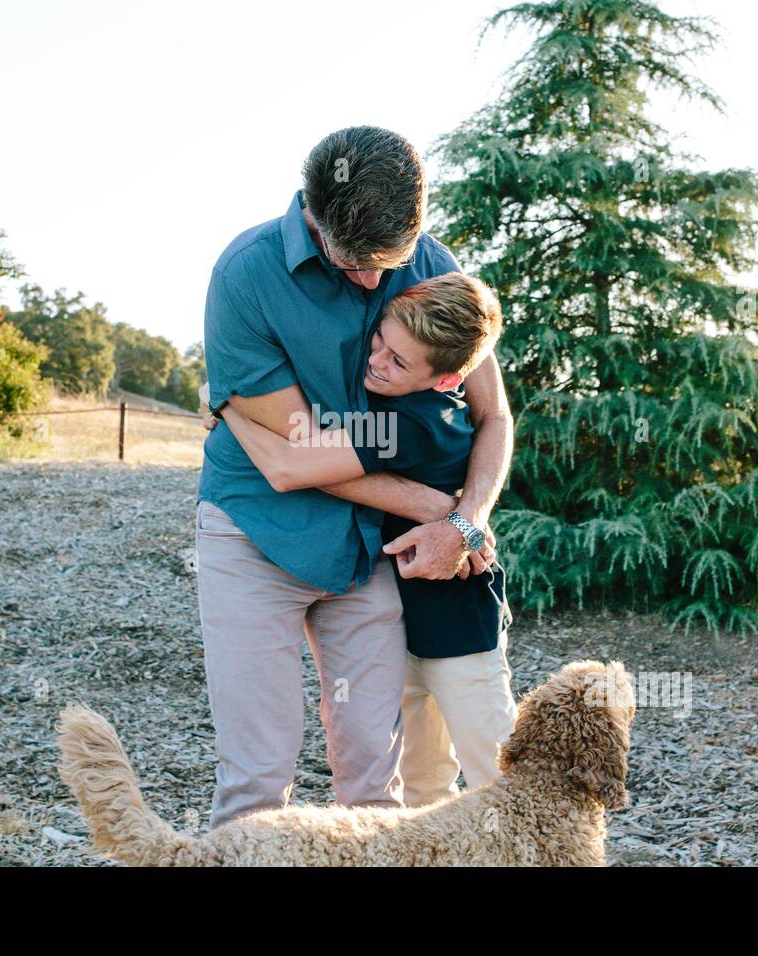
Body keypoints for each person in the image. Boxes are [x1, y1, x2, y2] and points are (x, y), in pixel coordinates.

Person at [196, 126, 513, 829]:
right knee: (258, 776)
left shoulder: (430, 263)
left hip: (366, 549)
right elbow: (291, 457)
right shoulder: (244, 276)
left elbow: (494, 416)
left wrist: (466, 521)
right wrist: (429, 502)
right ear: (314, 214)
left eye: (388, 265)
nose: (375, 283)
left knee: (375, 777)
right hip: (255, 532)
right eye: (355, 267)